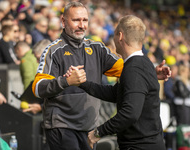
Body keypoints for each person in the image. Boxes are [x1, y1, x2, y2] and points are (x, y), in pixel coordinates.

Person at [32, 2, 171, 150]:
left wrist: (150, 73)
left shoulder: (97, 48)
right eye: (76, 20)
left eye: (85, 20)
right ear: (63, 21)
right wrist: (66, 81)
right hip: (62, 126)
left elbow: (129, 70)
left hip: (89, 128)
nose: (82, 25)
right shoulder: (53, 51)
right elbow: (38, 88)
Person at [65, 15, 167, 150]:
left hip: (140, 146)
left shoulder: (134, 68)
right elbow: (116, 93)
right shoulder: (144, 63)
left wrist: (99, 132)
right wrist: (82, 83)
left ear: (120, 36)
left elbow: (130, 113)